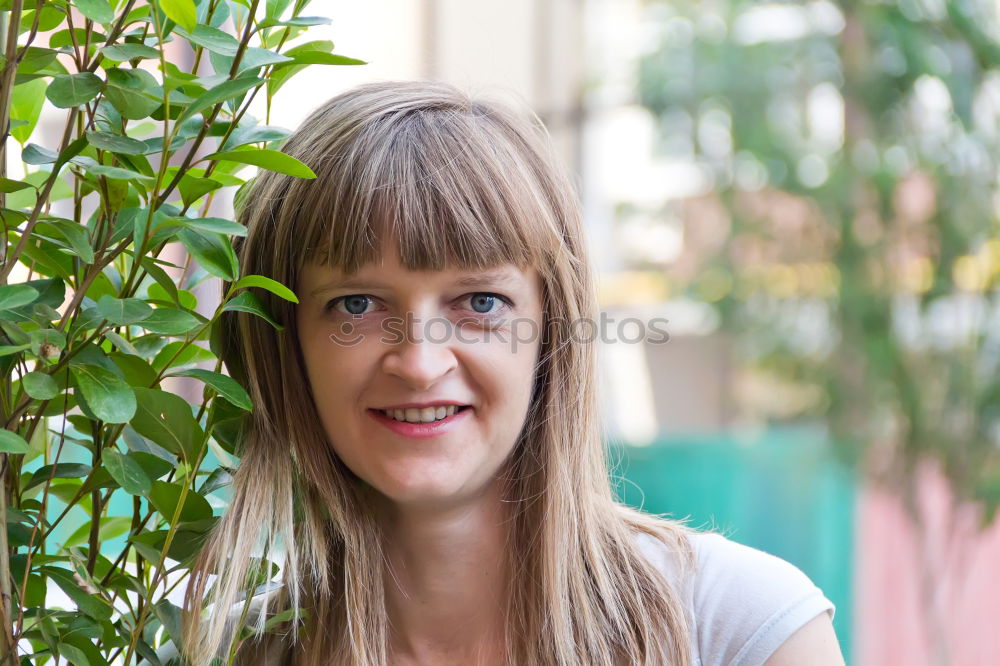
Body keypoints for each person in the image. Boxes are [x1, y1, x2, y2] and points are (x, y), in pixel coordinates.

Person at [173, 80, 845, 665]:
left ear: (552, 332)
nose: (420, 362)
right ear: (288, 343)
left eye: (480, 303)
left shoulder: (740, 630)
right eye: (357, 303)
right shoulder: (233, 648)